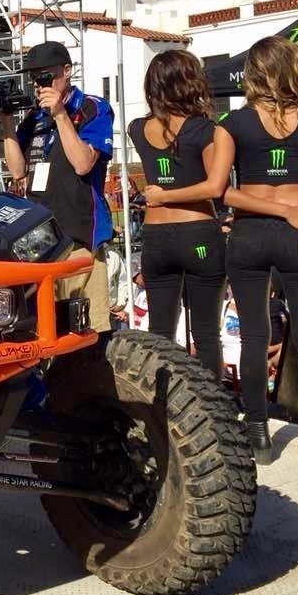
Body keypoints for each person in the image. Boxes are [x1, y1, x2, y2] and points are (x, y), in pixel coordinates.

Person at [149, 37, 298, 467]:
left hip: (250, 235)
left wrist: (274, 210)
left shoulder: (233, 123)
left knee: (255, 336)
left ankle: (258, 435)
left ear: (253, 73)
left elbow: (222, 192)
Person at [0, 42, 115, 332]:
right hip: (39, 239)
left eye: (45, 77)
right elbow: (17, 171)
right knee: (44, 331)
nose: (39, 85)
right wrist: (6, 122)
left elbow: (83, 164)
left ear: (67, 71)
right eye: (34, 79)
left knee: (89, 330)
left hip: (79, 236)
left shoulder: (92, 108)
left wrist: (61, 115)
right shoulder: (35, 117)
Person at [127, 50, 227, 376]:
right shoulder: (203, 129)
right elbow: (214, 187)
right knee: (207, 335)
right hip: (197, 232)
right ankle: (212, 404)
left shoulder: (137, 128)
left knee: (160, 335)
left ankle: (160, 401)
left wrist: (161, 195)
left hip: (156, 238)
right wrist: (170, 195)